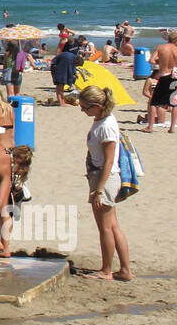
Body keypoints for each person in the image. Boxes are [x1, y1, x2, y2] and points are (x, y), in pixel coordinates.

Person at [78, 86, 132, 282]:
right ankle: (124, 270)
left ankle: (106, 270)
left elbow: (109, 161)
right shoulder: (102, 120)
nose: (83, 111)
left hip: (105, 178)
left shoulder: (106, 126)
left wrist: (98, 190)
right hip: (101, 175)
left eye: (85, 108)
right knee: (113, 225)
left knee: (106, 228)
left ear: (98, 106)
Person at [146, 32, 177, 134]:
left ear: (168, 39)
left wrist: (159, 64)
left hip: (164, 75)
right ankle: (172, 128)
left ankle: (150, 127)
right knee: (174, 103)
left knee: (153, 102)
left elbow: (151, 60)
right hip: (174, 76)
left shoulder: (161, 48)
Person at [50, 42, 78, 106]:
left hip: (56, 67)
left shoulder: (71, 57)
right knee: (60, 87)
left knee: (60, 86)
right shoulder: (72, 58)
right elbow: (71, 69)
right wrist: (73, 76)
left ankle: (61, 101)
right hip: (58, 69)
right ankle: (61, 102)